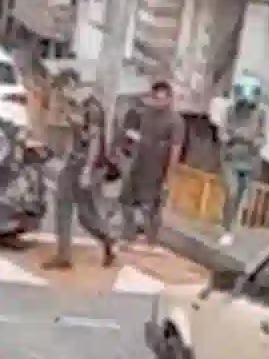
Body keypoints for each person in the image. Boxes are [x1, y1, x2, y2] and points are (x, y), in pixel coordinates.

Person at [43, 92, 116, 270]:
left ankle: (104, 238)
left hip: (84, 167)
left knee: (82, 214)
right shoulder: (80, 107)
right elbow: (76, 135)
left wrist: (86, 171)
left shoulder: (92, 109)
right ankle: (66, 254)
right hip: (75, 165)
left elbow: (94, 142)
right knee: (66, 206)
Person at [120, 81, 184, 247]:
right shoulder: (146, 114)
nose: (158, 101)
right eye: (156, 97)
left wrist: (169, 177)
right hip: (138, 164)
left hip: (156, 169)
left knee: (149, 207)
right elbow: (135, 134)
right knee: (126, 200)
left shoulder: (175, 121)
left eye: (162, 98)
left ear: (169, 99)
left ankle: (150, 239)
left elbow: (176, 151)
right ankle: (129, 234)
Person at [218, 76, 266, 246]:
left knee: (240, 197)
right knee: (231, 192)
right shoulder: (230, 111)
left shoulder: (260, 114)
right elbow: (222, 134)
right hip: (230, 159)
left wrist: (253, 141)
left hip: (249, 161)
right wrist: (234, 136)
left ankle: (232, 227)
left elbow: (261, 137)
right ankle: (226, 229)